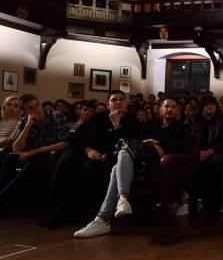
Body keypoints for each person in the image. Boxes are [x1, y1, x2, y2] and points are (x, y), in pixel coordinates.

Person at [74, 98, 190, 237]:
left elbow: (184, 146)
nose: (169, 110)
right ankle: (120, 201)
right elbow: (138, 143)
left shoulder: (181, 128)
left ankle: (103, 218)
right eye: (166, 107)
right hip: (139, 161)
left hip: (157, 164)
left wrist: (159, 144)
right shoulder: (150, 125)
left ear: (177, 110)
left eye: (173, 107)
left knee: (120, 161)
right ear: (160, 110)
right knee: (123, 154)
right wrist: (151, 145)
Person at [42, 90, 140, 228]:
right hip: (86, 150)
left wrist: (116, 125)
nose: (118, 102)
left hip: (108, 156)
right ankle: (53, 209)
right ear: (108, 105)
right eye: (114, 100)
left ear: (126, 103)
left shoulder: (132, 121)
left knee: (89, 168)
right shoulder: (98, 117)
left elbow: (124, 146)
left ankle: (77, 212)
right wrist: (87, 149)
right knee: (65, 161)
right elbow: (76, 136)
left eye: (121, 99)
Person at [0, 95, 68, 206]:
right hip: (29, 154)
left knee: (33, 163)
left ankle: (2, 198)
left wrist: (35, 151)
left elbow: (65, 143)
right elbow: (16, 149)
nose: (37, 110)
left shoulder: (56, 116)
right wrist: (28, 126)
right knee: (9, 158)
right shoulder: (24, 121)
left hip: (50, 154)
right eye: (30, 108)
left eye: (37, 105)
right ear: (25, 111)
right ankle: (5, 197)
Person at [194, 96, 223, 210]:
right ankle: (194, 197)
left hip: (218, 151)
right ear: (202, 106)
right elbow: (190, 138)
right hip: (198, 151)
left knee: (214, 162)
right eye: (207, 104)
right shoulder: (195, 119)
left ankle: (210, 200)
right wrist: (197, 152)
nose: (210, 106)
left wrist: (209, 152)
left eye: (213, 104)